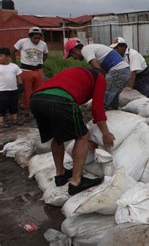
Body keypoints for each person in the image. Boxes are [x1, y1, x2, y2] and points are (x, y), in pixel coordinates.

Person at [30, 67, 115, 195]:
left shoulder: (74, 72)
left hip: (37, 99)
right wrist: (106, 133)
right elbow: (97, 109)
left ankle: (61, 174)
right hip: (61, 100)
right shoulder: (100, 78)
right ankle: (77, 181)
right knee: (82, 135)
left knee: (57, 136)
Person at [63, 39, 130, 109]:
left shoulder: (85, 50)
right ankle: (114, 116)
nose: (74, 59)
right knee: (112, 100)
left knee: (103, 102)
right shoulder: (91, 48)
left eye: (72, 56)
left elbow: (98, 71)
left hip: (118, 71)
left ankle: (104, 117)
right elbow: (102, 71)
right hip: (124, 71)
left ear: (74, 50)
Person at [11, 26, 48, 113]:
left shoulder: (43, 44)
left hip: (38, 70)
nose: (37, 40)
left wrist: (41, 62)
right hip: (26, 70)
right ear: (30, 36)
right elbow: (12, 50)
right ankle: (27, 106)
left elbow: (46, 54)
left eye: (39, 38)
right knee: (27, 90)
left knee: (39, 90)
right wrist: (15, 64)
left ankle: (37, 106)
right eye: (35, 38)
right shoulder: (22, 42)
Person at [0, 47, 23, 128]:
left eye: (1, 56)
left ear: (7, 56)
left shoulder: (14, 66)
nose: (0, 58)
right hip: (2, 90)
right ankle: (1, 122)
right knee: (2, 106)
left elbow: (18, 76)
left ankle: (15, 120)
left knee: (14, 105)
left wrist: (20, 85)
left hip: (13, 90)